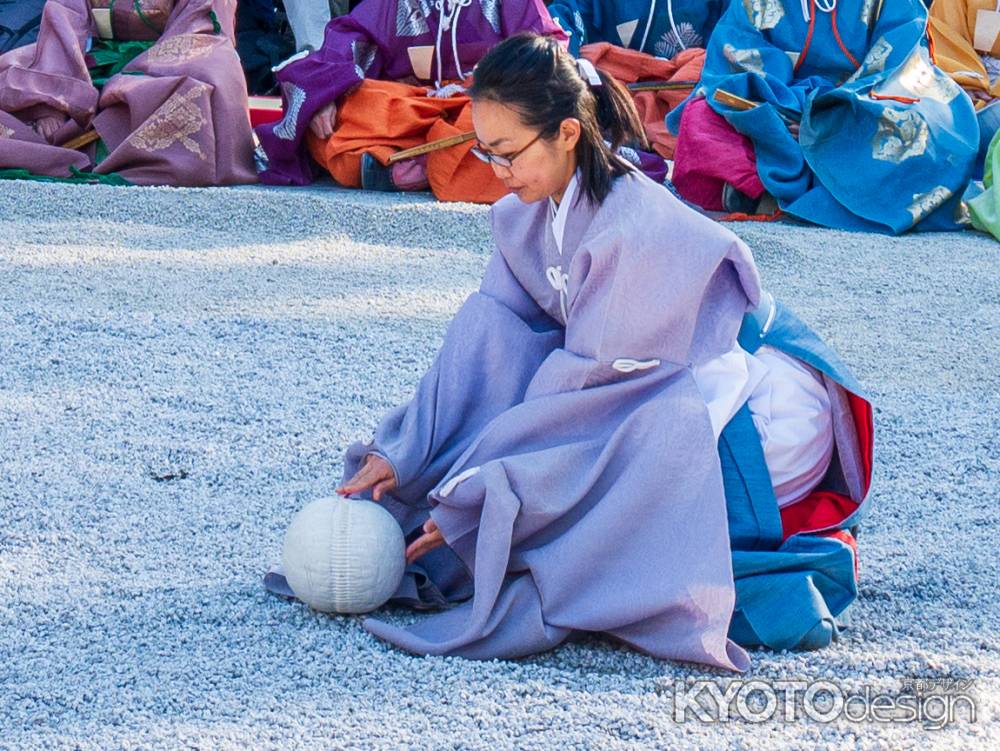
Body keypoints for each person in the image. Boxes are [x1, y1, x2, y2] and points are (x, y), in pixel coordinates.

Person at [267, 32, 873, 666]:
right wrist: (408, 450)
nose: (496, 171)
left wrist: (482, 493)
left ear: (566, 133)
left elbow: (590, 402)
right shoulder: (525, 214)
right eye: (487, 151)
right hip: (640, 387)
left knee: (588, 551)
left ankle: (772, 579)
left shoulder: (632, 228)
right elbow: (487, 341)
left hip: (746, 416)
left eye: (508, 153)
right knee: (496, 461)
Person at [667, 0, 980, 233]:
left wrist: (826, 112)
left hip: (860, 107)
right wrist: (786, 106)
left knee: (928, 128)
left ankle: (763, 190)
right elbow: (738, 46)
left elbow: (902, 58)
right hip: (778, 103)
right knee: (701, 117)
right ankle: (759, 187)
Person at [253, 0, 568, 203]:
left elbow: (546, 48)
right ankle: (402, 168)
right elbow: (347, 37)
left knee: (512, 126)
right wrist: (326, 91)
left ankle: (416, 168)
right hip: (408, 115)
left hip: (476, 114)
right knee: (342, 109)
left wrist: (490, 87)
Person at [0, 0, 255, 186]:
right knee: (12, 75)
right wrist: (52, 103)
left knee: (197, 85)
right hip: (96, 58)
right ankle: (65, 141)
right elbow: (62, 21)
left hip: (169, 63)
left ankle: (110, 145)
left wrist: (133, 79)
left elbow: (199, 28)